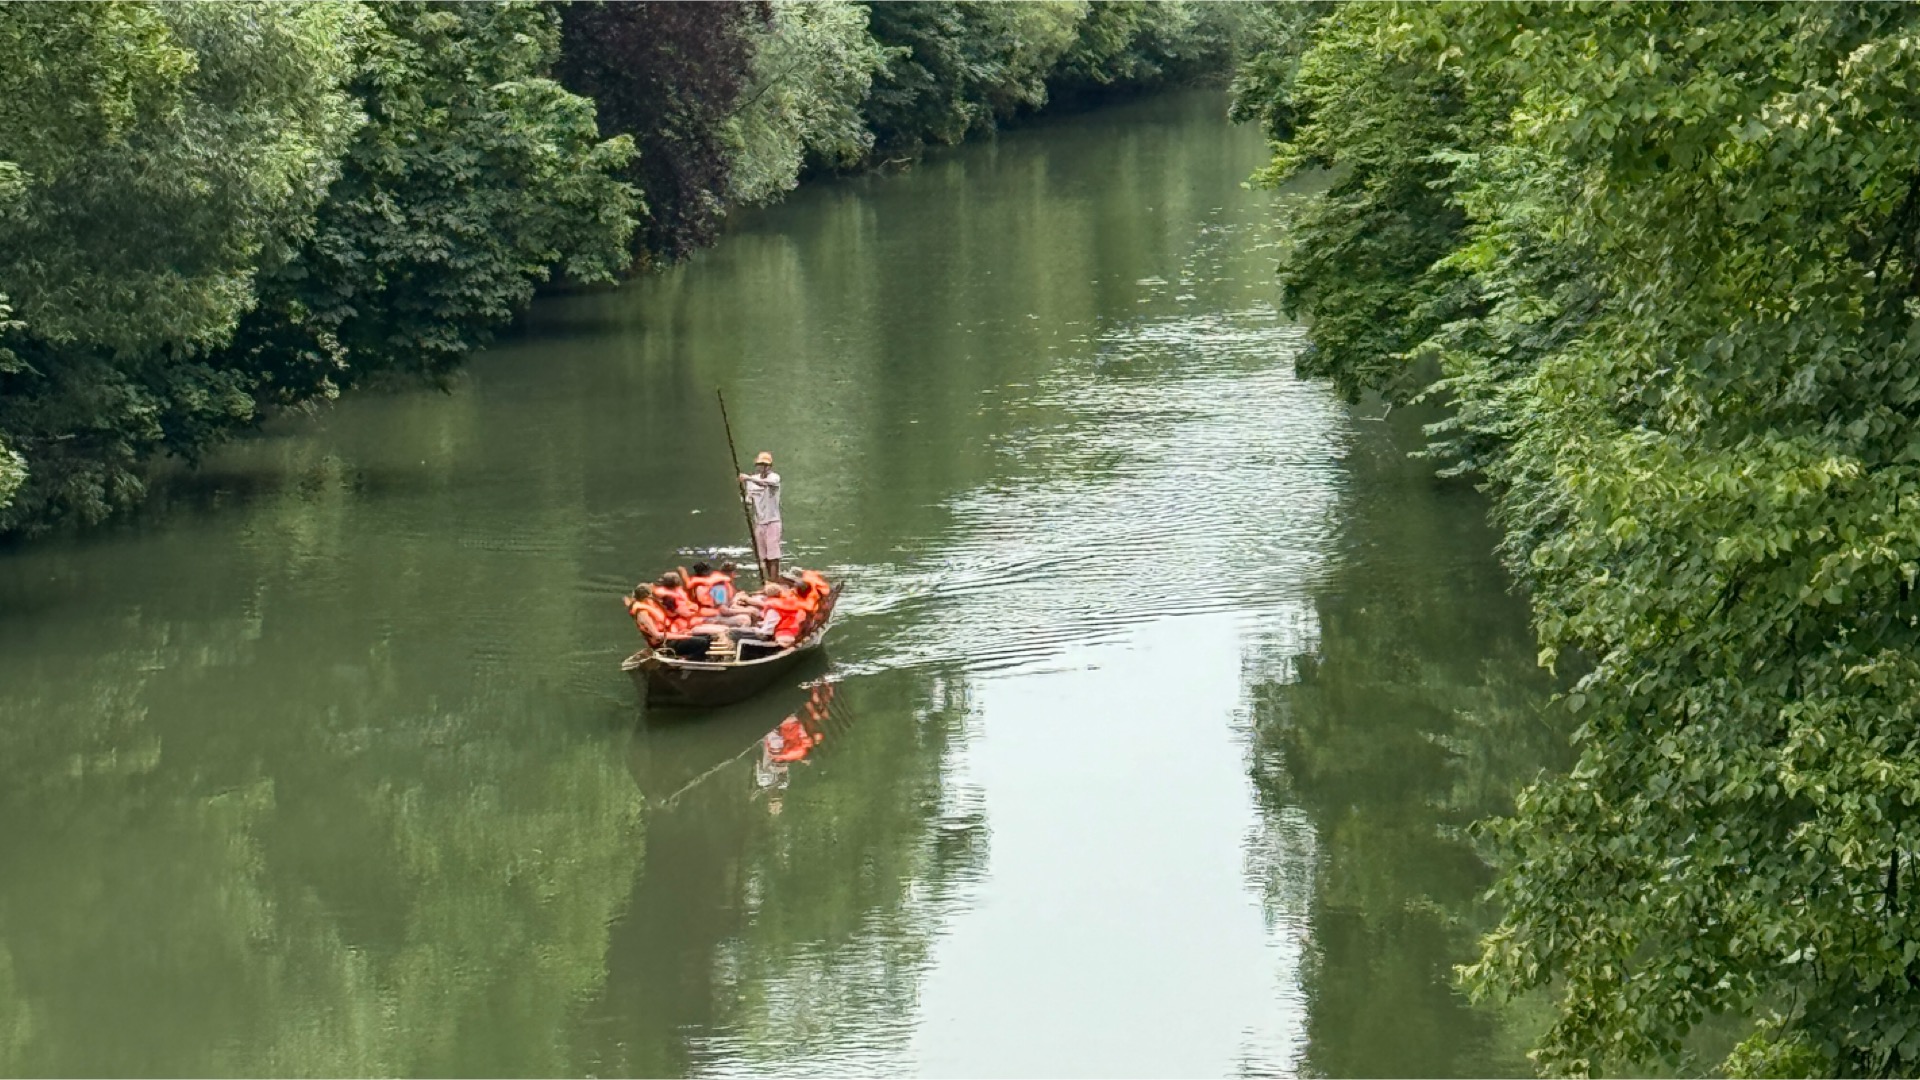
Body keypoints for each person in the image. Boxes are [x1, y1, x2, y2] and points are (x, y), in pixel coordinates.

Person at [739, 451, 783, 581]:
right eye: (760, 464)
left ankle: (774, 582)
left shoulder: (774, 478)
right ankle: (768, 581)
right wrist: (745, 501)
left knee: (773, 555)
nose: (763, 467)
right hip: (759, 522)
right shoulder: (751, 482)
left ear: (770, 466)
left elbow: (765, 483)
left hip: (773, 521)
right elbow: (749, 500)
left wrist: (748, 478)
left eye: (765, 464)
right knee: (763, 556)